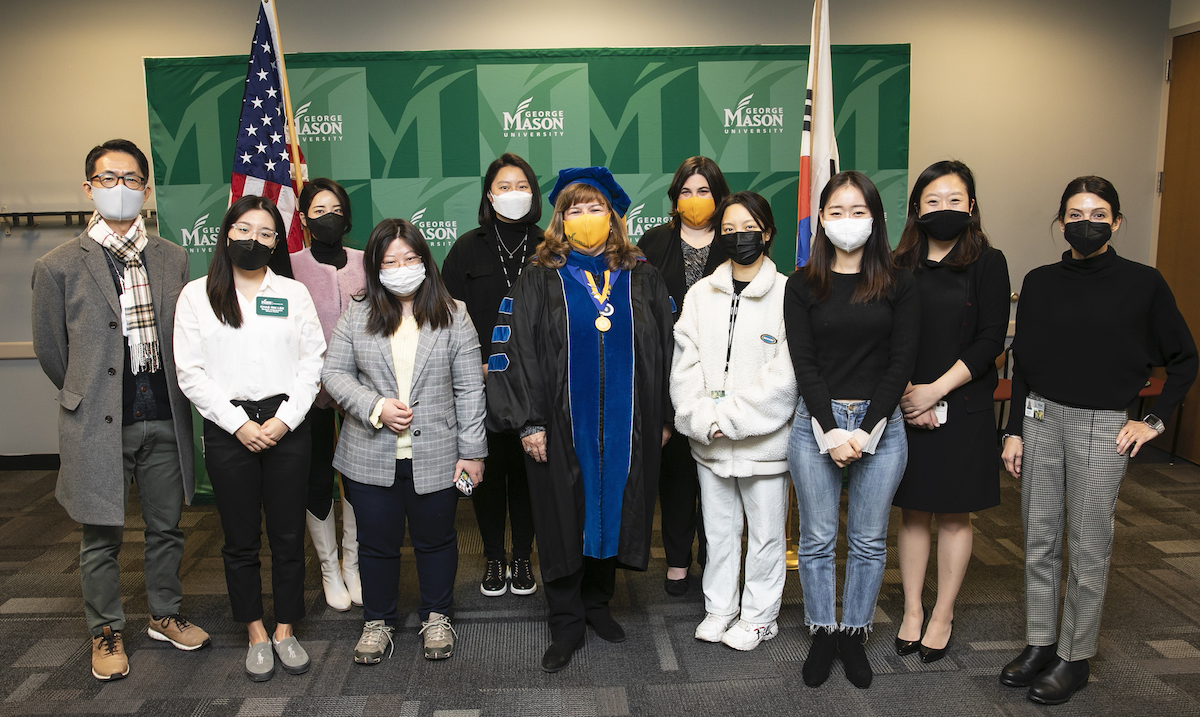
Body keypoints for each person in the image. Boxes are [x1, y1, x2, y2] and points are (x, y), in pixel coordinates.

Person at [999, 176, 1198, 705]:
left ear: (1115, 221)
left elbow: (1185, 359)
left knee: (1088, 544)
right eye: (1076, 213)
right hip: (1041, 419)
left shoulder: (1143, 283)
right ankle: (1041, 642)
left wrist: (1150, 422)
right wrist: (1013, 429)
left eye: (1098, 213)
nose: (1086, 222)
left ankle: (1075, 656)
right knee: (1038, 539)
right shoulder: (1040, 280)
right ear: (1061, 220)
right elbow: (1024, 365)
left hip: (1103, 426)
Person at [31, 139, 210, 681]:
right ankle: (105, 629)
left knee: (167, 526)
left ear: (146, 188)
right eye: (108, 179)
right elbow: (52, 352)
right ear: (88, 187)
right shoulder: (58, 265)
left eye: (131, 179)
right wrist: (92, 395)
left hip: (164, 415)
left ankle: (164, 614)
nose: (121, 189)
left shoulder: (171, 256)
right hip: (97, 422)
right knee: (101, 533)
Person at [486, 167, 674, 673]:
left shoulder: (641, 274)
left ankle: (598, 603)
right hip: (560, 425)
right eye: (575, 210)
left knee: (612, 507)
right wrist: (529, 422)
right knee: (562, 514)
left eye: (595, 208)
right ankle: (566, 618)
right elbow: (516, 351)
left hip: (626, 424)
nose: (585, 218)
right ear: (561, 219)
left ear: (613, 215)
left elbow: (667, 348)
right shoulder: (539, 276)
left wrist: (662, 416)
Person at [174, 195, 325, 682]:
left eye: (265, 233)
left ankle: (285, 628)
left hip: (288, 422)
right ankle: (255, 630)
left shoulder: (294, 294)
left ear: (277, 242)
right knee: (240, 539)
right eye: (244, 229)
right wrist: (236, 423)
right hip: (226, 427)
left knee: (286, 534)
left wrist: (284, 421)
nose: (253, 240)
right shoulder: (197, 294)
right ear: (226, 233)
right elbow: (190, 372)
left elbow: (312, 363)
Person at [323, 218, 487, 664]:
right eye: (390, 260)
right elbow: (333, 373)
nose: (401, 267)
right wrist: (375, 405)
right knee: (376, 545)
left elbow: (471, 387)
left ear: (424, 261)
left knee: (436, 540)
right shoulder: (357, 312)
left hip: (438, 453)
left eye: (410, 258)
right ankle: (378, 621)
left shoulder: (455, 313)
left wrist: (473, 452)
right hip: (369, 453)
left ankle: (437, 615)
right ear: (375, 266)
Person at [784, 170, 919, 689]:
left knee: (866, 540)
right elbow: (805, 363)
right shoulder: (802, 284)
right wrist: (829, 431)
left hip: (880, 426)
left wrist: (864, 432)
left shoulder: (899, 284)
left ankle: (855, 632)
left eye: (858, 212)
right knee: (816, 540)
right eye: (836, 212)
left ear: (876, 219)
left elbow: (900, 362)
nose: (847, 222)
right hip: (814, 421)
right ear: (820, 219)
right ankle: (823, 630)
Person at [889, 161, 1010, 663]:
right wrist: (905, 395)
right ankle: (913, 610)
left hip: (962, 403)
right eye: (933, 200)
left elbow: (990, 342)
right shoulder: (898, 264)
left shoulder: (989, 261)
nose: (944, 209)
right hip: (905, 402)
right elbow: (885, 337)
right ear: (917, 208)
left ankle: (943, 612)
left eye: (955, 200)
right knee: (914, 511)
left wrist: (934, 391)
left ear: (972, 206)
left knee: (955, 514)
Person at [670, 192, 796, 651]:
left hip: (765, 445)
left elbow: (786, 376)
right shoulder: (700, 294)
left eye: (748, 227)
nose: (738, 236)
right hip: (710, 443)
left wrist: (733, 419)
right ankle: (720, 608)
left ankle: (761, 617)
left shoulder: (787, 293)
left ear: (766, 232)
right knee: (719, 533)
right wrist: (704, 420)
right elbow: (684, 364)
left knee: (765, 536)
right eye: (728, 230)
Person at [442, 153, 543, 598]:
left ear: (533, 193)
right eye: (503, 186)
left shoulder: (549, 246)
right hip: (477, 384)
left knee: (527, 472)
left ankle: (522, 555)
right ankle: (493, 557)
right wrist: (473, 365)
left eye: (521, 185)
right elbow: (444, 318)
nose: (513, 193)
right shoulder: (467, 247)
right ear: (489, 194)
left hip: (533, 388)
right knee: (486, 471)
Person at [638, 156, 731, 596]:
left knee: (717, 475)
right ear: (675, 198)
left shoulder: (736, 240)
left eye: (705, 191)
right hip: (668, 373)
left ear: (719, 196)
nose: (695, 200)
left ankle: (716, 560)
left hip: (723, 375)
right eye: (687, 191)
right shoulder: (652, 243)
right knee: (675, 474)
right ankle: (677, 561)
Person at [292, 178, 366, 612]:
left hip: (360, 390)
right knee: (318, 476)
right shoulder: (289, 264)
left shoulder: (364, 261)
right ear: (303, 218)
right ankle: (328, 567)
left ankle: (354, 564)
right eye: (318, 210)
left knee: (357, 477)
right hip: (309, 391)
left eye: (335, 208)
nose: (327, 217)